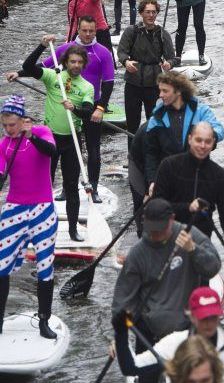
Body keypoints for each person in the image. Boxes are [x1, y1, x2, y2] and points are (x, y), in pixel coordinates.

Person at [112, 197, 220, 383]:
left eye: (160, 230)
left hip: (186, 331)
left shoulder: (189, 235)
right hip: (148, 333)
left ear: (172, 220)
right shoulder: (138, 254)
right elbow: (123, 300)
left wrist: (192, 249)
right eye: (151, 230)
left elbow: (212, 267)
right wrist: (119, 335)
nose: (155, 235)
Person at [19, 35, 95, 242]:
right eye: (72, 61)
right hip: (49, 140)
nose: (76, 65)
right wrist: (42, 45)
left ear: (83, 64)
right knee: (44, 184)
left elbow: (88, 111)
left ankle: (73, 230)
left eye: (80, 62)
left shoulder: (87, 87)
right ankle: (38, 227)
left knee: (71, 187)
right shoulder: (53, 76)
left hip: (72, 141)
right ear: (65, 62)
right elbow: (28, 66)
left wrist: (75, 108)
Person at [153, 122, 224, 278]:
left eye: (208, 141)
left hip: (200, 245)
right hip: (168, 240)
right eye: (198, 140)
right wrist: (188, 207)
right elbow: (156, 206)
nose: (203, 146)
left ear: (213, 144)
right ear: (190, 139)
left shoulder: (220, 176)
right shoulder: (169, 166)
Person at [39, 15, 116, 204]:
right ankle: (67, 188)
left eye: (92, 30)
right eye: (84, 30)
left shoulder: (103, 52)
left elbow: (108, 83)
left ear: (96, 30)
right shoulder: (65, 49)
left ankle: (94, 188)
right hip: (67, 106)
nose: (88, 34)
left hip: (91, 106)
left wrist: (100, 108)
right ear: (78, 30)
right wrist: (19, 73)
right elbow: (43, 67)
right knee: (67, 149)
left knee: (93, 148)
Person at [0, 96, 59, 339]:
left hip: (43, 209)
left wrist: (31, 135)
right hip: (14, 209)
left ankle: (44, 319)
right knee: (1, 266)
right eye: (5, 125)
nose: (8, 129)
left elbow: (52, 152)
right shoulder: (4, 145)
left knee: (45, 267)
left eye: (12, 125)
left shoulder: (41, 132)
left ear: (23, 120)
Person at [144, 71, 224, 191]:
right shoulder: (156, 118)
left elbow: (219, 130)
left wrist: (206, 138)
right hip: (167, 176)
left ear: (179, 91)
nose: (160, 95)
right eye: (160, 90)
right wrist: (152, 181)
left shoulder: (200, 110)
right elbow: (151, 154)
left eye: (165, 91)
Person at [117, 0, 174, 144]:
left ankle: (152, 158)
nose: (151, 15)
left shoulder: (163, 34)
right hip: (132, 83)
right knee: (132, 125)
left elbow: (172, 57)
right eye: (147, 12)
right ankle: (133, 160)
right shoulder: (132, 31)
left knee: (154, 123)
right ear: (141, 13)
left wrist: (169, 64)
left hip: (153, 84)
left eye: (153, 12)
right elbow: (122, 51)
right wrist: (126, 62)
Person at [175, 0, 208, 65]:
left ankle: (201, 55)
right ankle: (178, 57)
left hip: (199, 1)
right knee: (182, 27)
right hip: (182, 2)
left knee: (198, 24)